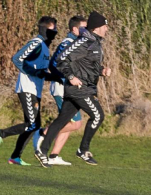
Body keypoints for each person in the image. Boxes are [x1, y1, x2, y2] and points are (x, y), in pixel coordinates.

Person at [35, 11, 111, 168]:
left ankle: (42, 151)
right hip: (79, 89)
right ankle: (83, 150)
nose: (107, 29)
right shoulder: (85, 41)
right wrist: (70, 77)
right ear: (97, 28)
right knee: (97, 116)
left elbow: (88, 65)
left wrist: (101, 70)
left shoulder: (95, 42)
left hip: (82, 88)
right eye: (105, 26)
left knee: (62, 120)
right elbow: (60, 59)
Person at [0, 16, 61, 165]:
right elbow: (17, 58)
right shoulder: (36, 43)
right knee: (32, 124)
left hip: (35, 91)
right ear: (45, 29)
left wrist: (58, 78)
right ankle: (1, 133)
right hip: (27, 89)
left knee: (33, 125)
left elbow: (41, 73)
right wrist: (33, 72)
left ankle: (15, 156)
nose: (55, 32)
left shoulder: (45, 48)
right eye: (53, 29)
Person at [33, 15, 87, 166]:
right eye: (84, 28)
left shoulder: (78, 43)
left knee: (69, 121)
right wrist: (67, 78)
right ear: (75, 29)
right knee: (76, 124)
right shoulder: (68, 43)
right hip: (62, 88)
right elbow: (55, 63)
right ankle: (43, 133)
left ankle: (54, 155)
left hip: (70, 89)